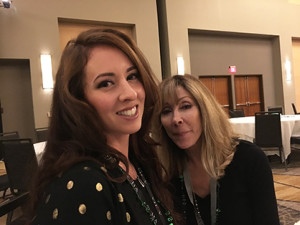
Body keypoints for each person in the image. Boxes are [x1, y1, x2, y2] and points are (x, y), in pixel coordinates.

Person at [28, 28, 176, 225]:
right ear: (78, 100)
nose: (130, 93)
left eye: (132, 76)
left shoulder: (138, 160)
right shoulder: (84, 184)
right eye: (106, 83)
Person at [156, 74, 280, 225]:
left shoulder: (249, 159)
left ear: (205, 110)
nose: (176, 119)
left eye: (185, 106)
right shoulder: (165, 172)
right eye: (166, 111)